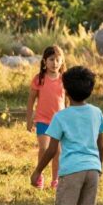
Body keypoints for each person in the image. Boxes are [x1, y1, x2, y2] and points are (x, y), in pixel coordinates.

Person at [31, 66, 103, 205]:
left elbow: (51, 149)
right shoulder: (96, 113)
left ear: (65, 90)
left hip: (72, 170)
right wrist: (99, 166)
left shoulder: (61, 117)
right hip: (93, 169)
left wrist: (38, 171)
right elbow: (101, 146)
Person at [25, 45, 66, 189]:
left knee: (57, 152)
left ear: (62, 62)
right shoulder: (39, 79)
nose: (54, 63)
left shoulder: (64, 80)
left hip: (59, 122)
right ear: (44, 61)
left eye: (57, 60)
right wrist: (29, 119)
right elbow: (31, 100)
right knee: (44, 148)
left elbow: (67, 102)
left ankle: (56, 180)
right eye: (51, 59)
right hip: (42, 120)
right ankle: (39, 175)